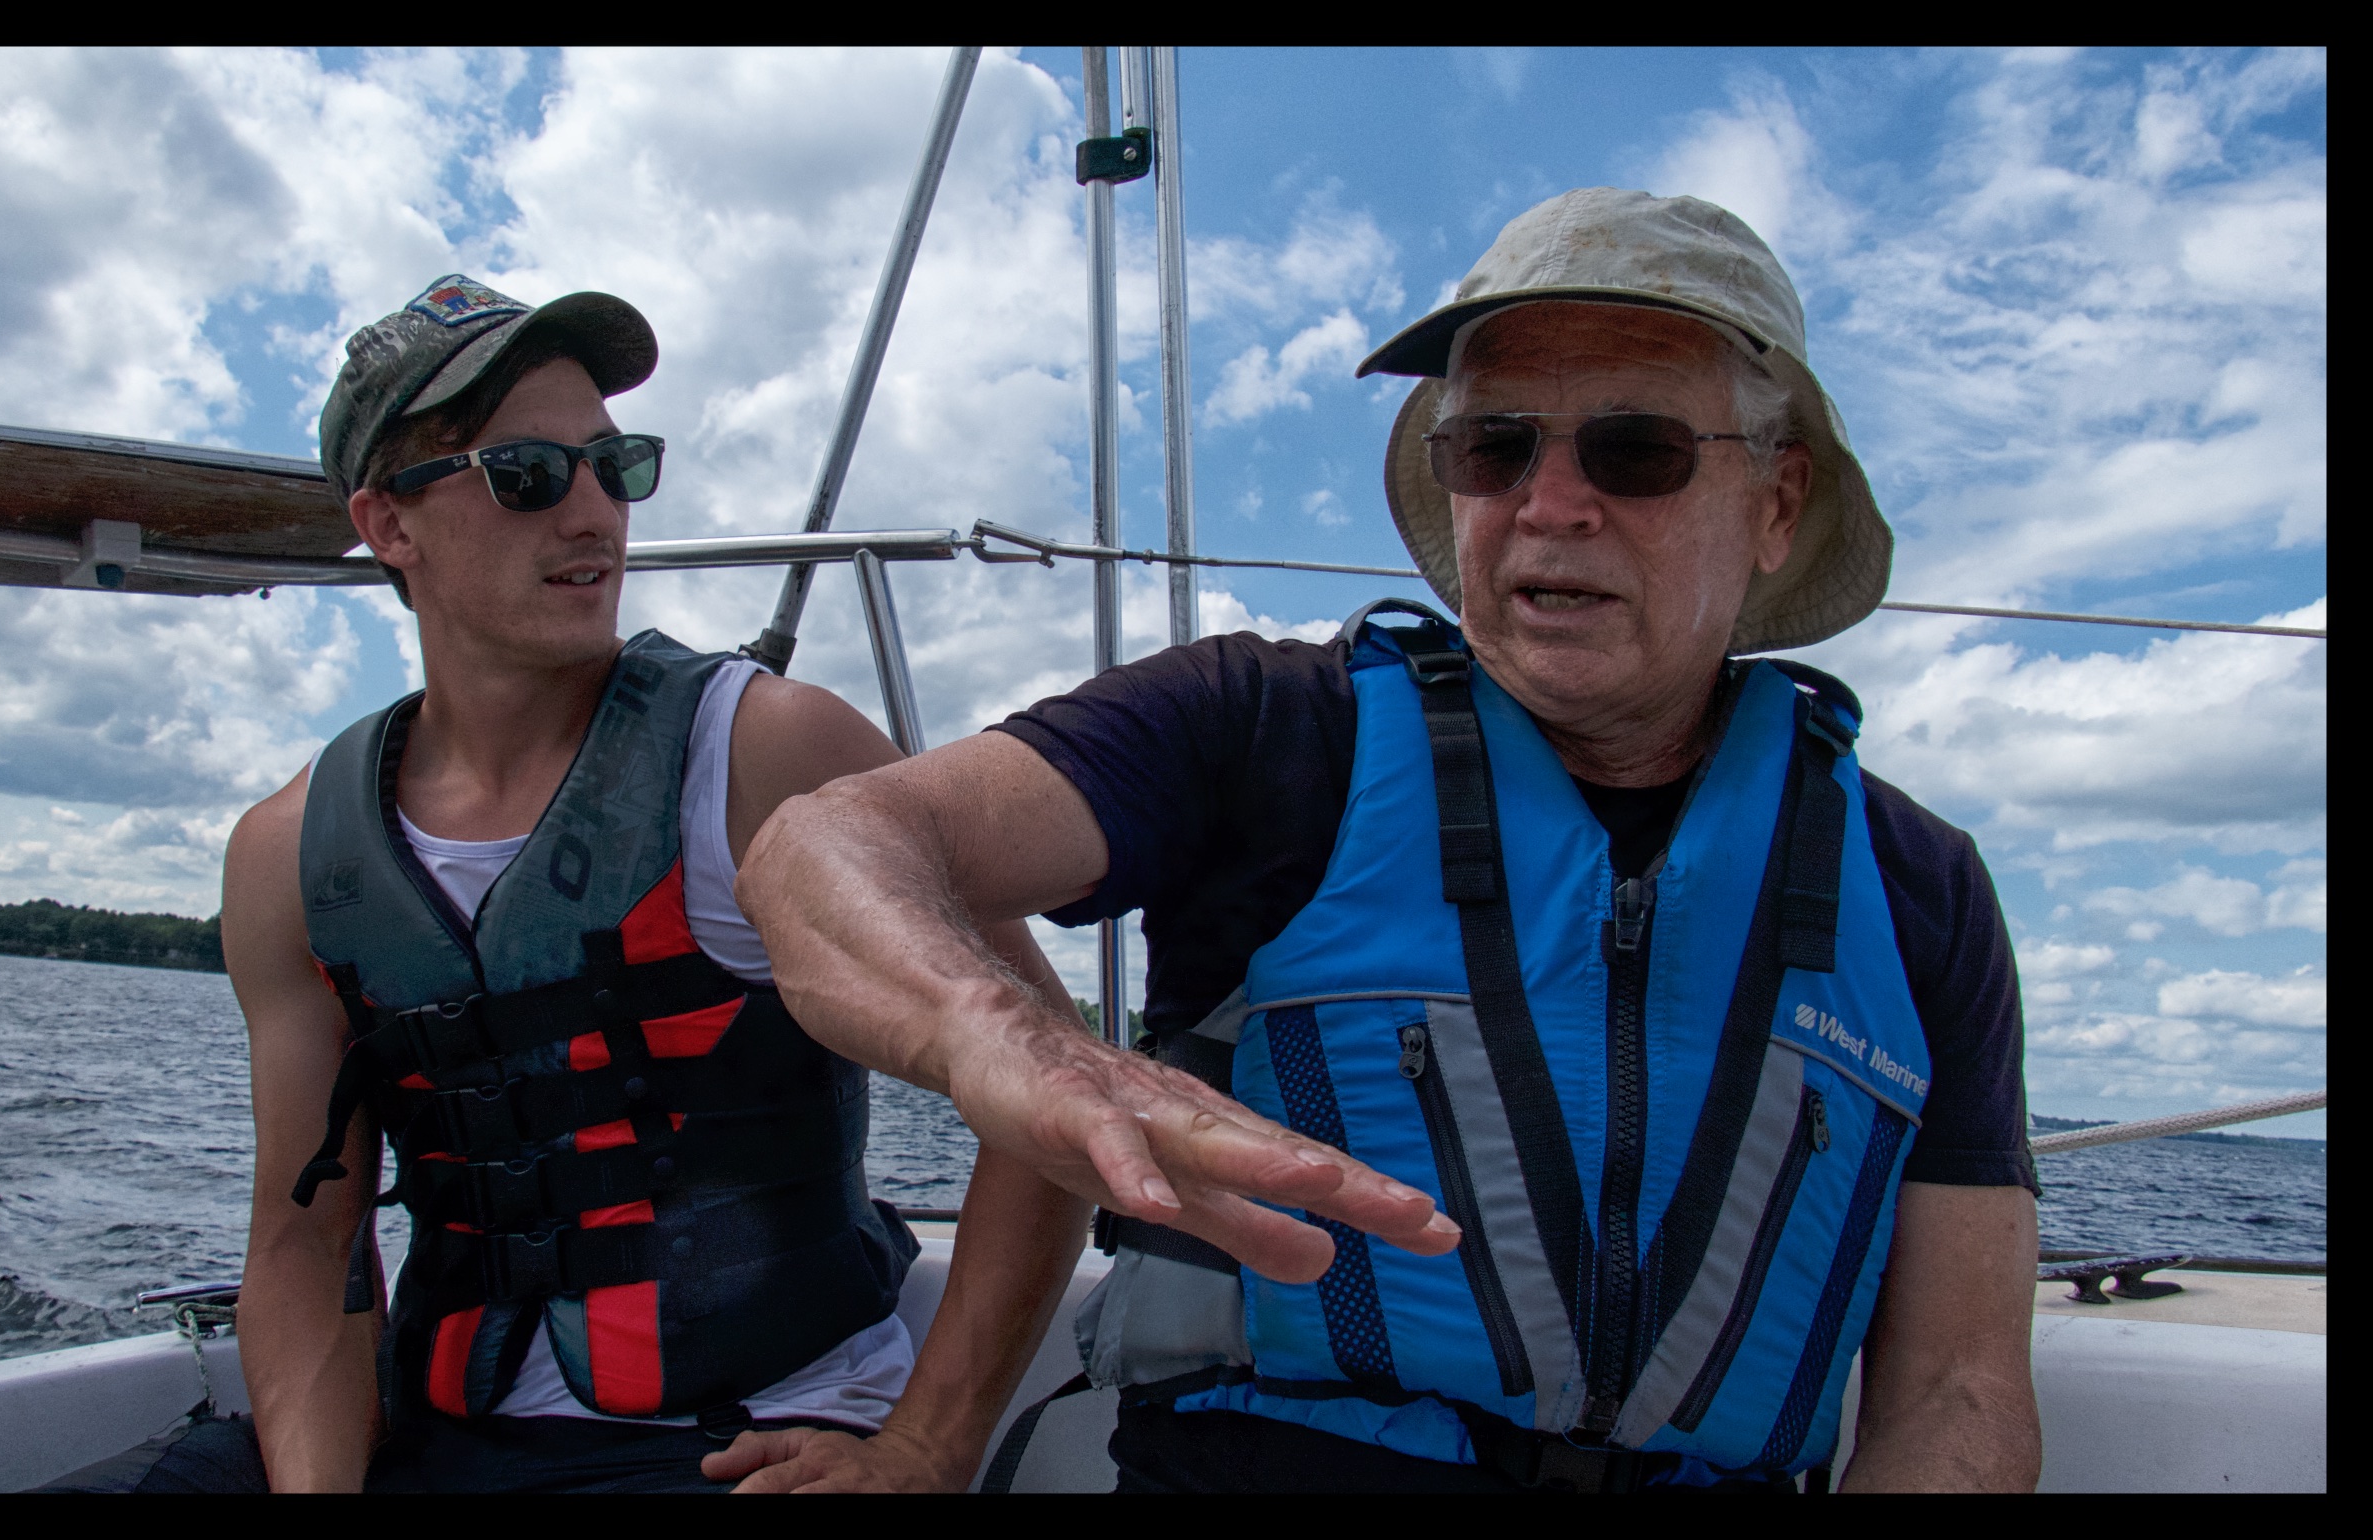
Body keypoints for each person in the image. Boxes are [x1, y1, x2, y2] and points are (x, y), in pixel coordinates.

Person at [738, 190, 2044, 1492]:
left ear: (1777, 503)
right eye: (1494, 446)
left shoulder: (1918, 890)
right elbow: (830, 845)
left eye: (1635, 450)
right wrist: (995, 1034)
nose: (1550, 504)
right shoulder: (1262, 731)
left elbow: (1958, 1390)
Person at [69, 275, 1090, 1493]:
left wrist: (927, 1449)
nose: (594, 511)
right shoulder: (289, 856)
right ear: (389, 525)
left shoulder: (767, 756)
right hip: (432, 1432)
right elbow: (304, 1242)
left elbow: (1055, 1090)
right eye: (528, 474)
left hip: (742, 1440)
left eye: (617, 466)